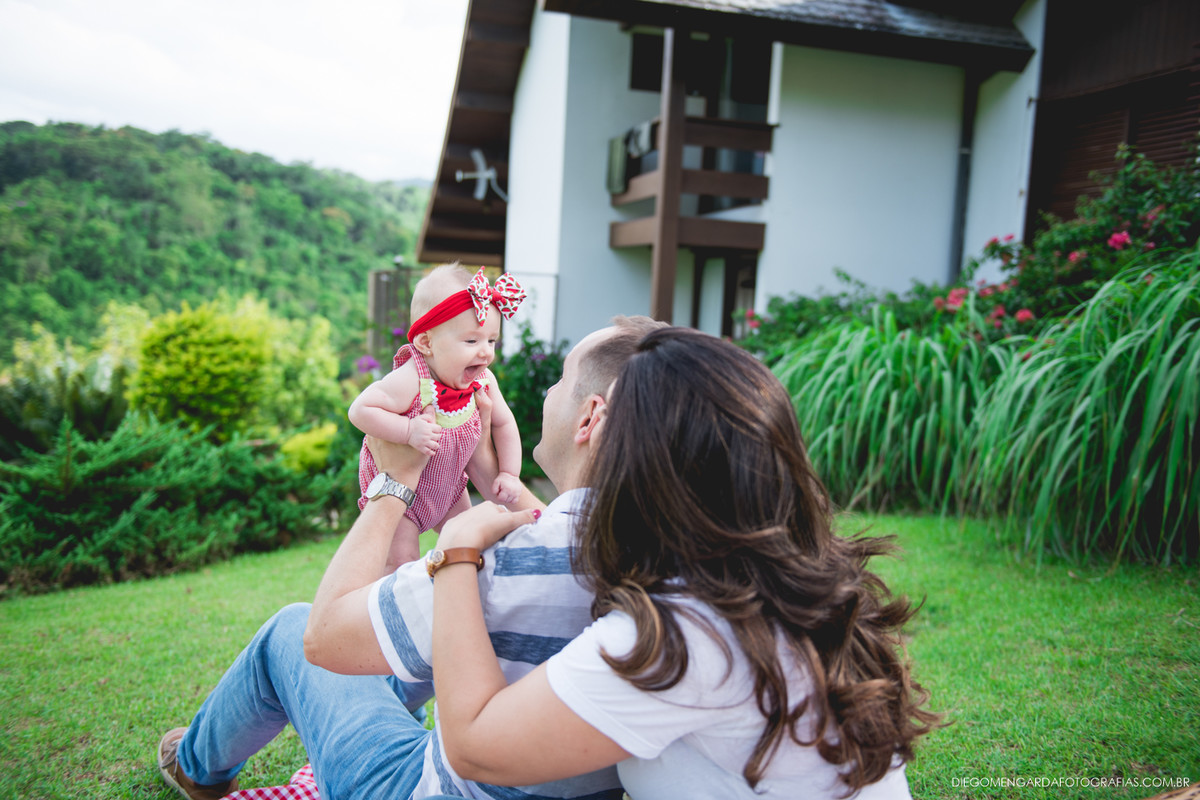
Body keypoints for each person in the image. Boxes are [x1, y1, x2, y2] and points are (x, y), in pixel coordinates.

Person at [156, 315, 667, 800]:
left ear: (590, 417)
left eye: (561, 379)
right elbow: (562, 532)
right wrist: (494, 477)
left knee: (290, 629)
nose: (549, 392)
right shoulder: (666, 558)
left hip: (415, 787)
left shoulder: (497, 563)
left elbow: (325, 638)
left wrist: (394, 482)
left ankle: (196, 768)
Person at [427, 328, 943, 799]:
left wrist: (455, 552)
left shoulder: (685, 632)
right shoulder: (779, 583)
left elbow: (474, 744)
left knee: (351, 691)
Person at [349, 263, 526, 571]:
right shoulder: (411, 379)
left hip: (448, 488)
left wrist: (509, 473)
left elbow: (503, 423)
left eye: (491, 341)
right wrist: (407, 430)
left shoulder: (483, 381)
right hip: (400, 497)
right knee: (401, 562)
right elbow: (360, 410)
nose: (485, 352)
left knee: (469, 547)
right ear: (426, 343)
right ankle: (394, 613)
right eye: (472, 341)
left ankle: (457, 602)